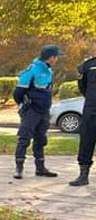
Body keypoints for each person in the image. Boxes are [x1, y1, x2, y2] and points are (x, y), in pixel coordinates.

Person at [12, 45, 61, 179]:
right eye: (56, 56)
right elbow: (18, 92)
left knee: (41, 139)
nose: (57, 59)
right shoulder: (32, 69)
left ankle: (40, 168)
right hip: (31, 110)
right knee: (24, 138)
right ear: (51, 57)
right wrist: (24, 105)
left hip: (43, 110)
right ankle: (19, 168)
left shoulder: (48, 70)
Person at [69, 53, 96, 186]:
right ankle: (83, 175)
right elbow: (82, 87)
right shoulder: (88, 65)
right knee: (86, 142)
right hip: (91, 110)